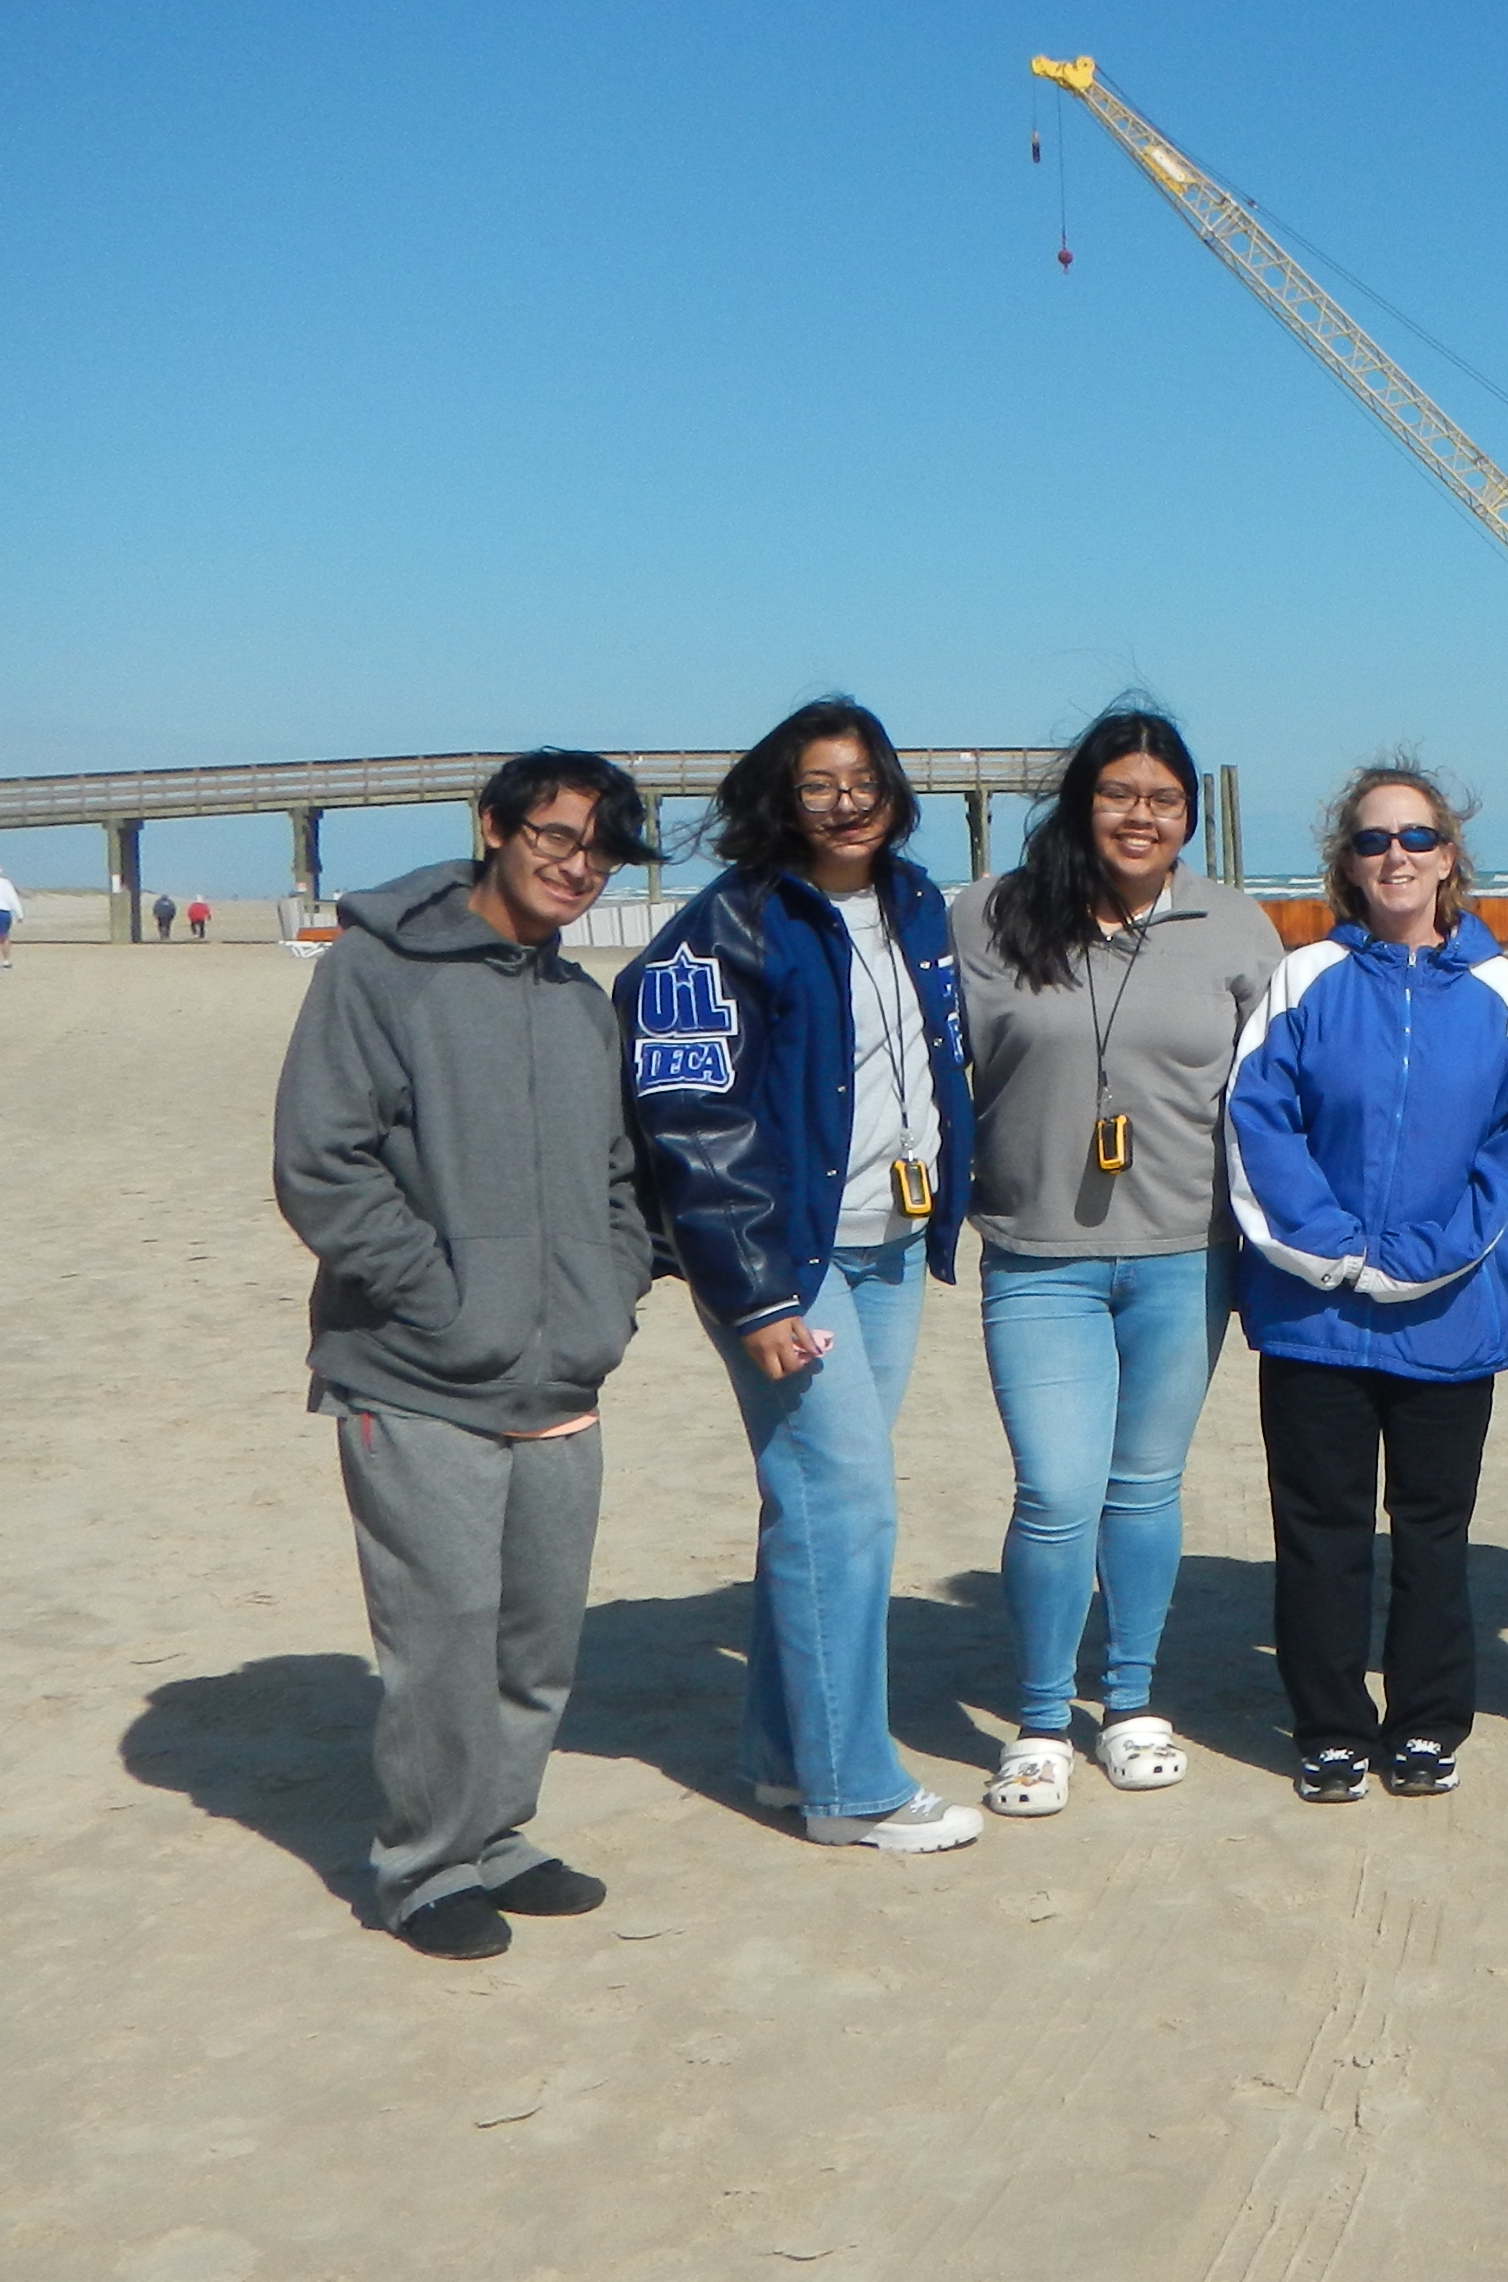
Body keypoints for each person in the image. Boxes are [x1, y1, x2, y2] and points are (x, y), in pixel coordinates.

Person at [273, 752, 662, 1957]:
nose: (577, 866)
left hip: (562, 1372)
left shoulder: (578, 1001)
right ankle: (426, 1863)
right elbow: (320, 1164)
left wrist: (608, 1295)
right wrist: (444, 1303)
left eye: (600, 850)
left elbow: (615, 1179)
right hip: (415, 1372)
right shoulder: (378, 974)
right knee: (439, 1632)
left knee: (535, 1637)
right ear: (492, 828)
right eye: (556, 836)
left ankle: (499, 1835)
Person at [621, 698, 984, 1855]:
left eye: (866, 777)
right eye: (821, 782)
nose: (847, 800)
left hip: (890, 1243)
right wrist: (755, 1292)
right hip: (789, 1259)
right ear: (780, 795)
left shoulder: (917, 903)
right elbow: (688, 1116)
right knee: (849, 1504)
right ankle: (853, 1787)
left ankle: (785, 1757)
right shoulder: (724, 925)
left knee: (811, 1506)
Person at [951, 708, 1282, 1818]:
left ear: (1189, 817)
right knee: (1054, 1491)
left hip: (1187, 1254)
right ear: (1079, 801)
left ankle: (1131, 1702)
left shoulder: (1235, 927)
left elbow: (1281, 1091)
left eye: (1164, 800)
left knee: (1144, 1487)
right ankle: (1042, 1719)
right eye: (1119, 794)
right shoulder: (988, 917)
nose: (1141, 817)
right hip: (1037, 1254)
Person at [1230, 763, 1508, 1800]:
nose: (1396, 856)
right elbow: (1256, 1115)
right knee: (1320, 1527)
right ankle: (1327, 1723)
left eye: (1416, 837)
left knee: (1432, 1526)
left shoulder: (1500, 989)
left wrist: (1420, 1257)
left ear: (1449, 856)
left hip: (1450, 1311)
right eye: (1373, 841)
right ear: (1347, 864)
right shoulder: (1306, 976)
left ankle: (1424, 1721)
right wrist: (1331, 1247)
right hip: (1315, 1309)